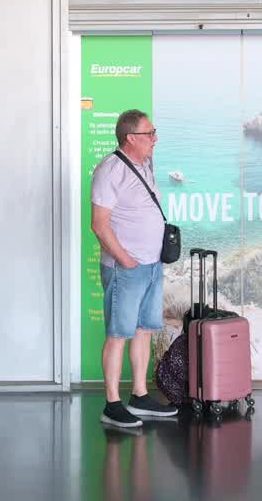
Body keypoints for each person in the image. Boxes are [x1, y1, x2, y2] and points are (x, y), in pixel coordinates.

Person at [90, 109, 180, 428]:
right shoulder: (109, 171)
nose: (155, 139)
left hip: (152, 265)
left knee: (144, 330)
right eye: (150, 133)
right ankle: (112, 404)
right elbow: (99, 225)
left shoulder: (145, 165)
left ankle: (139, 396)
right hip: (125, 268)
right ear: (131, 138)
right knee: (118, 334)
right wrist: (126, 260)